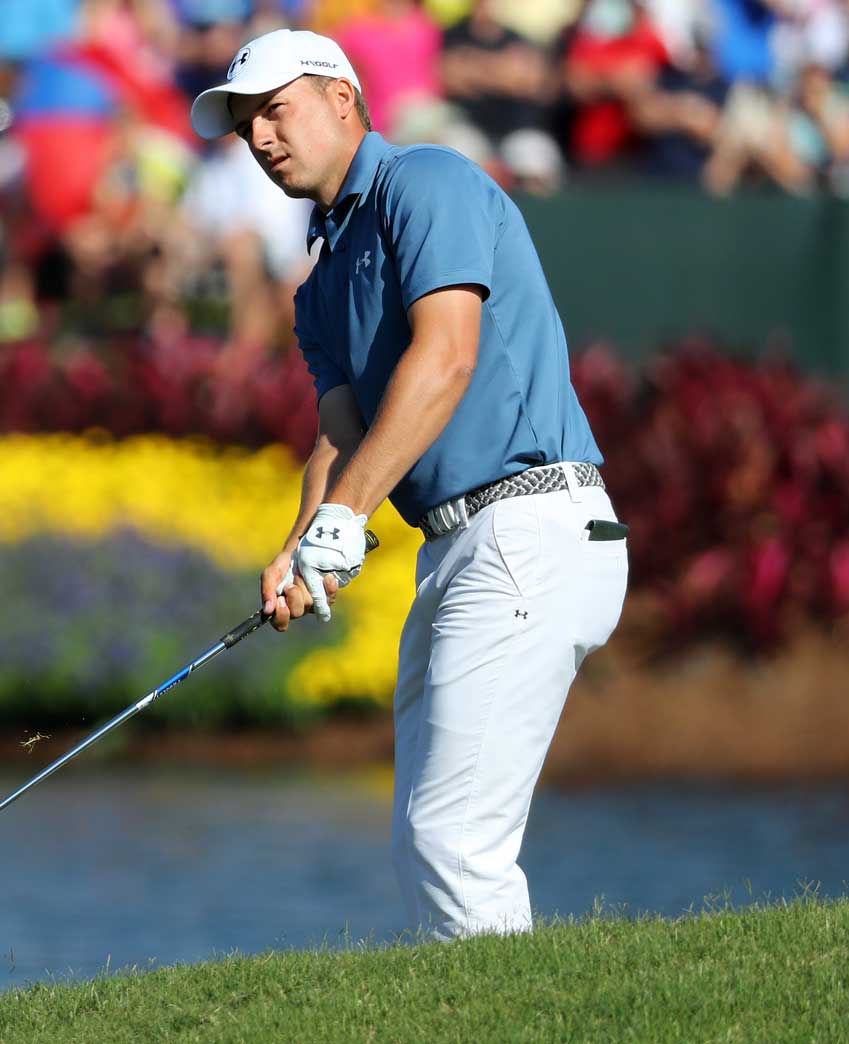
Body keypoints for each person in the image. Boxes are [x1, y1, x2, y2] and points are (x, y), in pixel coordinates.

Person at [189, 28, 629, 940]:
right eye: (245, 128)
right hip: (460, 548)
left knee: (454, 837)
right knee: (422, 839)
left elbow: (448, 355)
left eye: (276, 110)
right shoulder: (319, 282)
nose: (261, 139)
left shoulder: (426, 183)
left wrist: (347, 519)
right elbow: (342, 435)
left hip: (531, 525)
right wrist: (303, 540)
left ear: (344, 99)